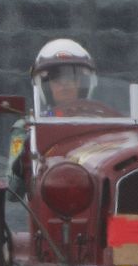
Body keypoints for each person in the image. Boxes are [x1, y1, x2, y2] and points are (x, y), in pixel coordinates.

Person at [6, 38, 116, 192]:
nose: (64, 84)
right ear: (46, 86)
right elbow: (13, 190)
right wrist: (23, 158)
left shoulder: (105, 122)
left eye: (71, 78)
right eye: (56, 79)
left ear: (81, 83)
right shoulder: (26, 128)